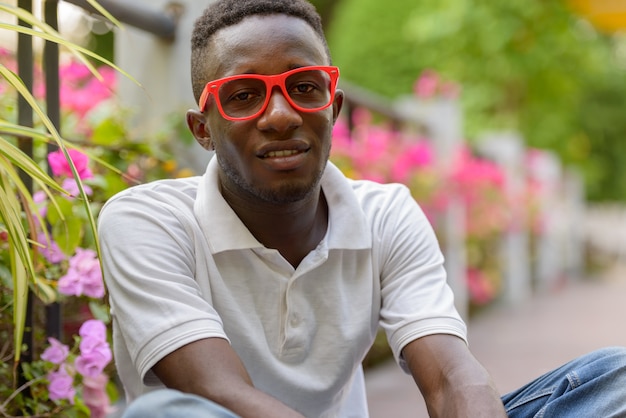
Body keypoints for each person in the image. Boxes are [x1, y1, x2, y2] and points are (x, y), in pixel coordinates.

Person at [97, 0, 626, 417]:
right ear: (202, 129)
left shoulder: (386, 212)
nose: (280, 116)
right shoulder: (144, 222)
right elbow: (215, 390)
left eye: (305, 88)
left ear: (334, 109)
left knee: (615, 377)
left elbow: (450, 374)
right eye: (243, 95)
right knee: (169, 413)